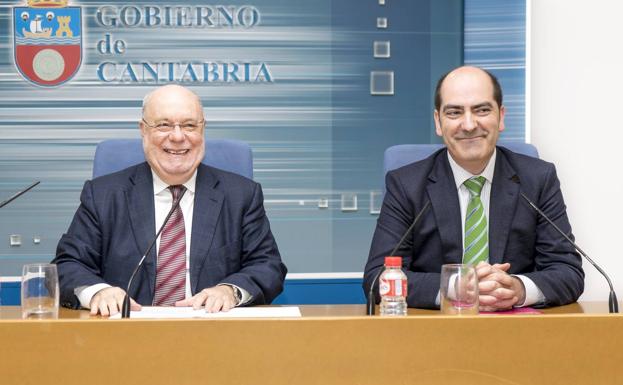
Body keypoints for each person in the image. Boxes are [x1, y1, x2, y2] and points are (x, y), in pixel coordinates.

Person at [53, 84, 287, 316]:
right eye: (163, 125)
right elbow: (68, 265)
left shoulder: (241, 195)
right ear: (143, 130)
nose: (177, 137)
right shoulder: (104, 195)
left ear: (202, 130)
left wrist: (230, 291)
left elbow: (268, 266)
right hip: (125, 336)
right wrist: (98, 292)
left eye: (189, 125)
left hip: (214, 333)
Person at [363, 66, 584, 311]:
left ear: (501, 117)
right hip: (432, 335)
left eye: (481, 110)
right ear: (438, 122)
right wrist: (457, 287)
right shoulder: (407, 185)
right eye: (455, 112)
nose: (469, 125)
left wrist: (518, 289)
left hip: (518, 334)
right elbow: (378, 277)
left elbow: (568, 272)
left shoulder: (538, 179)